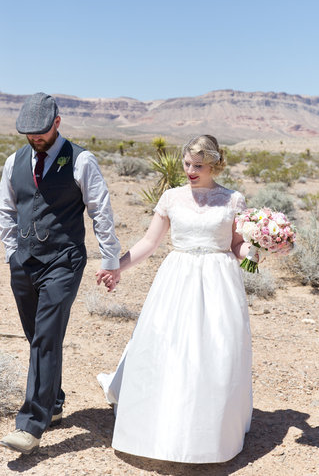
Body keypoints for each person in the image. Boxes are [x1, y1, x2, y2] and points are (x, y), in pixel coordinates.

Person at [97, 134, 253, 463]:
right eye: (186, 164)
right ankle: (165, 422)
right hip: (177, 278)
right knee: (169, 347)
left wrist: (257, 253)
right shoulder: (171, 197)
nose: (191, 171)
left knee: (215, 350)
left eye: (198, 165)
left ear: (214, 165)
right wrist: (118, 267)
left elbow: (238, 245)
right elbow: (149, 242)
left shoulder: (233, 199)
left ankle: (210, 429)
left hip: (218, 281)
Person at [0, 92, 121, 455]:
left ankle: (31, 424)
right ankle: (52, 402)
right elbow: (6, 210)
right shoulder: (14, 161)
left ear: (57, 123)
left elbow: (100, 211)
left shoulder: (81, 160)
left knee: (46, 337)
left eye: (40, 132)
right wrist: (11, 253)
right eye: (28, 133)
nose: (34, 138)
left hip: (63, 261)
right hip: (23, 262)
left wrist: (109, 259)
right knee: (37, 335)